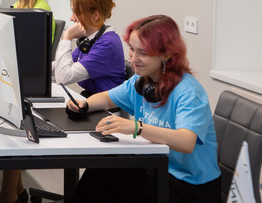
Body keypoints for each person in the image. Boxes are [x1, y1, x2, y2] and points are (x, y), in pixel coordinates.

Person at [67, 15, 221, 203]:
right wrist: (85, 104)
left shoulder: (188, 92)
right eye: (132, 49)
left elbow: (186, 142)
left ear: (166, 54)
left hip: (192, 186)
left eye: (143, 53)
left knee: (108, 175)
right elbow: (107, 98)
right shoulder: (142, 82)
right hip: (158, 167)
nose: (133, 58)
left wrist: (136, 128)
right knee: (105, 168)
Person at [0, 0, 54, 203]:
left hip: (29, 85)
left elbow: (33, 55)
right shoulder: (18, 7)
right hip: (14, 77)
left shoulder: (40, 12)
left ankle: (7, 197)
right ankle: (17, 190)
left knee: (11, 132)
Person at [52, 0, 125, 96]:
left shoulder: (108, 43)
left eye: (76, 13)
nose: (72, 18)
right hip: (91, 99)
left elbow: (63, 77)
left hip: (105, 105)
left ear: (95, 15)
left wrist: (67, 37)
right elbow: (60, 66)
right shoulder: (91, 39)